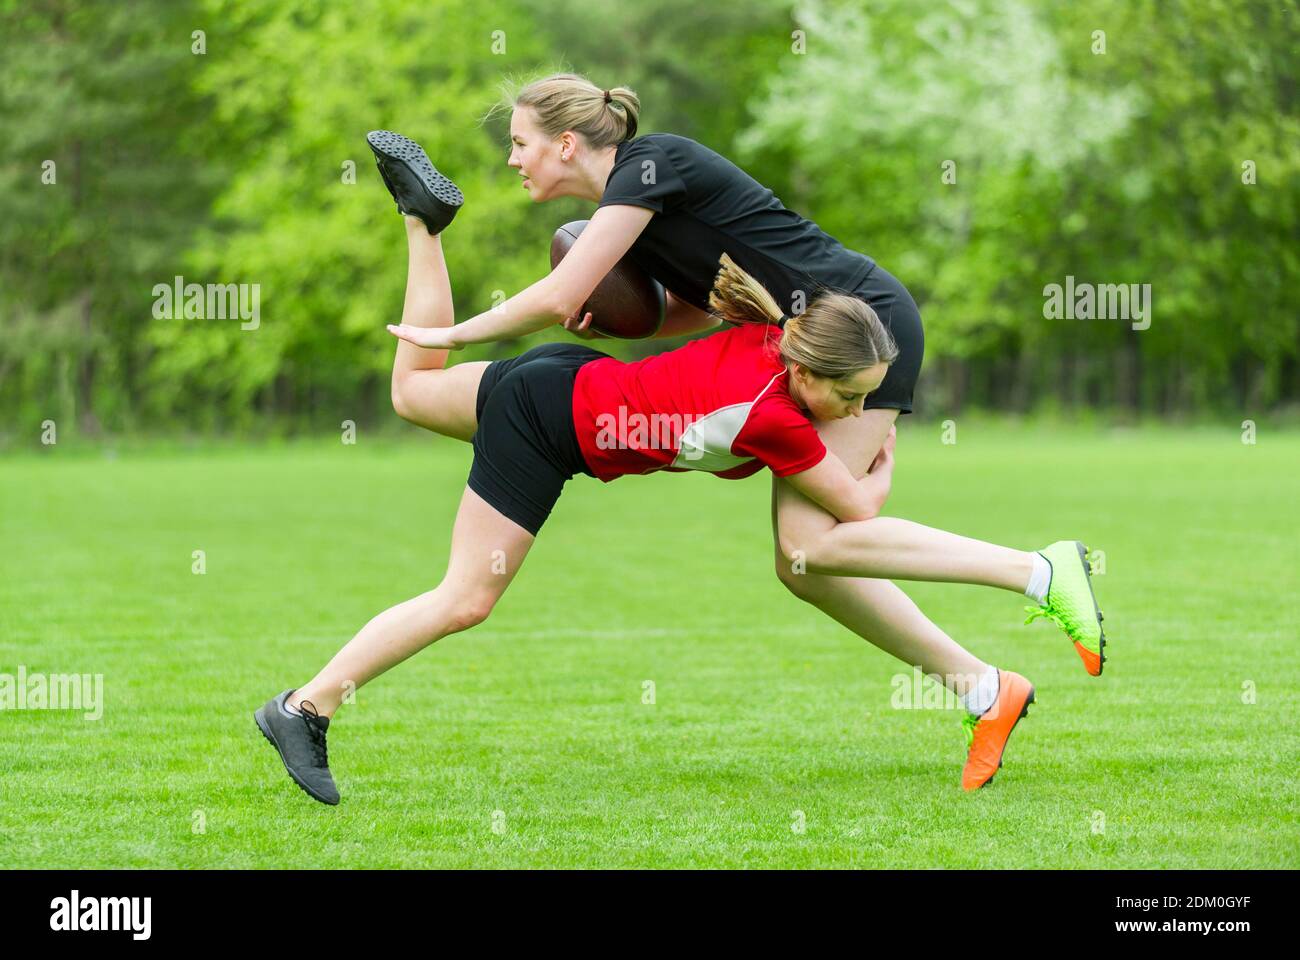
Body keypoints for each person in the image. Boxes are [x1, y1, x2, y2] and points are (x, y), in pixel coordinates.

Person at [253, 131, 1107, 805]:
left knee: (409, 394)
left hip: (563, 384)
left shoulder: (769, 338)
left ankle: (421, 223)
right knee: (464, 598)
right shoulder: (776, 418)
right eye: (851, 402)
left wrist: (865, 435)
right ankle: (304, 707)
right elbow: (853, 501)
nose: (857, 416)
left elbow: (688, 316)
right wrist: (881, 460)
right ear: (809, 373)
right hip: (548, 424)